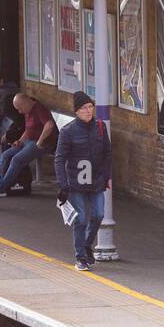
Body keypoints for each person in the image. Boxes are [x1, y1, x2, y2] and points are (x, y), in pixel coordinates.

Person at [54, 91, 111, 272]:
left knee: (99, 215)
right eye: (84, 108)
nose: (88, 111)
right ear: (76, 111)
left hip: (96, 181)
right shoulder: (68, 131)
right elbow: (59, 158)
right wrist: (63, 185)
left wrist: (106, 176)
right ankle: (80, 256)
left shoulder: (101, 127)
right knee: (81, 219)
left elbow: (108, 154)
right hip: (75, 183)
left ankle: (87, 245)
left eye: (90, 107)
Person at [0, 94, 56, 197]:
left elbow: (49, 125)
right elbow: (28, 129)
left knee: (17, 160)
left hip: (43, 143)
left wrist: (40, 141)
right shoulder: (27, 110)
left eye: (20, 108)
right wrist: (20, 141)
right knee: (6, 154)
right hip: (29, 141)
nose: (19, 112)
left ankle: (2, 188)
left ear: (26, 103)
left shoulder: (39, 109)